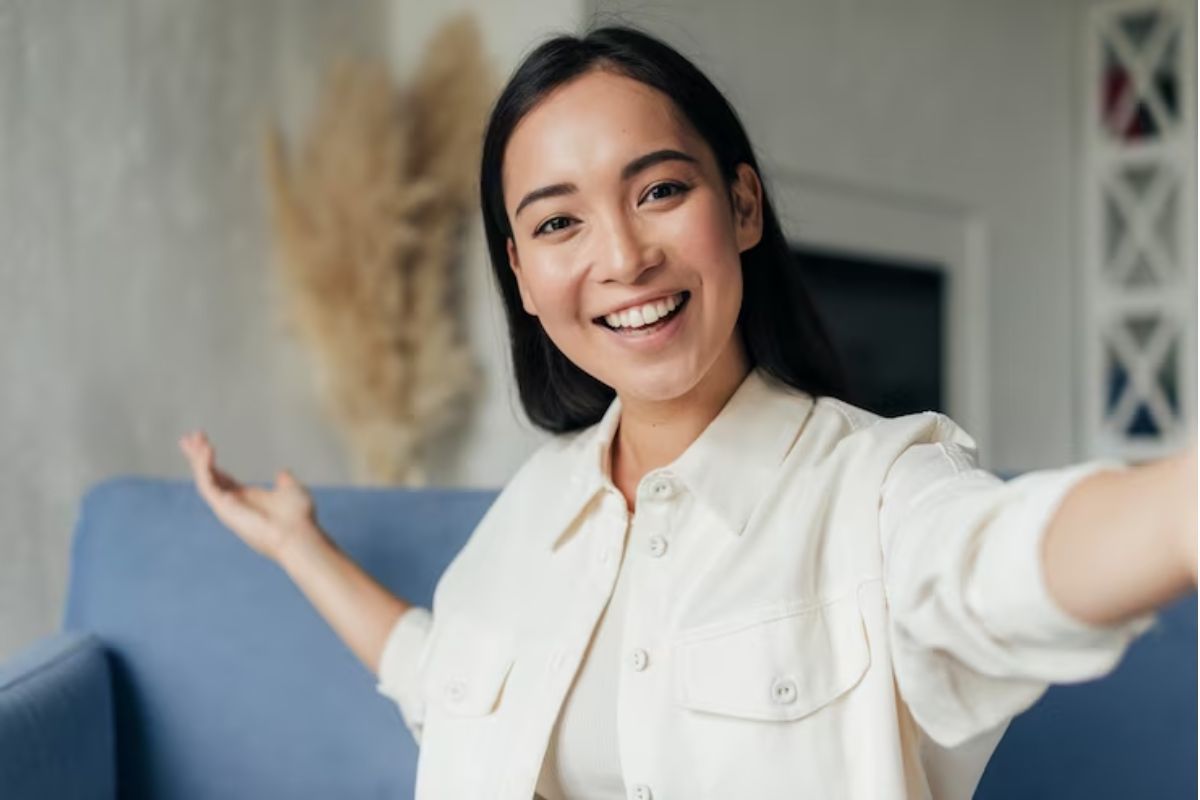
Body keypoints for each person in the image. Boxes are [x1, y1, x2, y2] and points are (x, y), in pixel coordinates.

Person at [179, 24, 1197, 800]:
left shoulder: (878, 490)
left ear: (742, 206)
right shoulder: (536, 510)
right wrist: (300, 547)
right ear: (523, 276)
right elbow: (435, 672)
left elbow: (1002, 564)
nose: (622, 258)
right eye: (560, 221)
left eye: (660, 189)